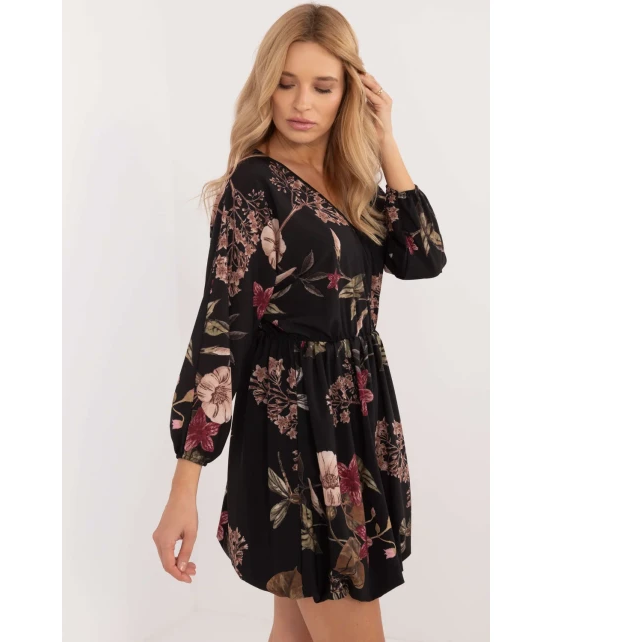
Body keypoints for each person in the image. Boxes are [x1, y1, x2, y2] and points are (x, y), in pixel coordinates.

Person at [152, 4, 447, 641]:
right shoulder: (256, 186)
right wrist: (185, 485)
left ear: (350, 93)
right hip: (295, 426)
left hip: (356, 416)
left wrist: (385, 139)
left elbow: (423, 258)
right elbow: (221, 332)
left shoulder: (348, 177)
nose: (301, 103)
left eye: (323, 86)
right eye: (285, 83)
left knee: (297, 631)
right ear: (265, 85)